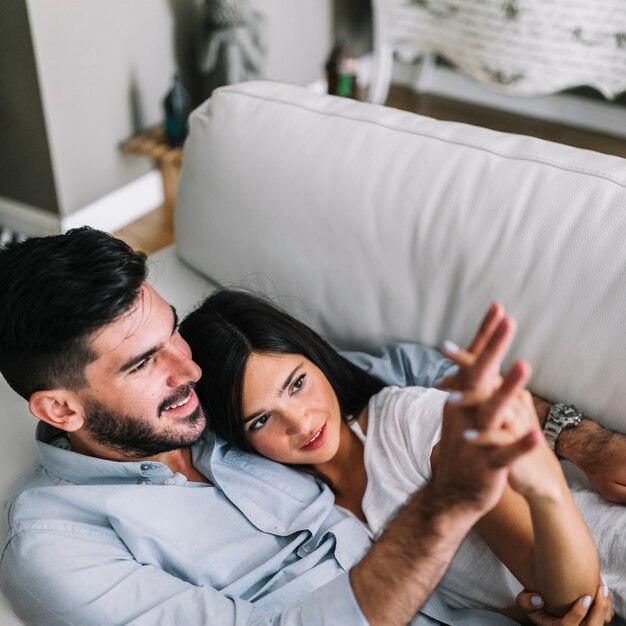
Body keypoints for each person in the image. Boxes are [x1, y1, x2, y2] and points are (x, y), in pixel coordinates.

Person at [0, 228, 611, 626]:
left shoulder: (204, 407)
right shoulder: (59, 547)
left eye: (173, 332)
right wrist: (444, 505)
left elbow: (382, 376)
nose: (187, 368)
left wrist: (581, 438)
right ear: (61, 410)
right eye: (142, 363)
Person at [179, 288, 626, 620]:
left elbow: (579, 598)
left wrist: (546, 481)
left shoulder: (409, 422)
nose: (300, 421)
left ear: (316, 358)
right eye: (261, 420)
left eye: (296, 384)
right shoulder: (320, 521)